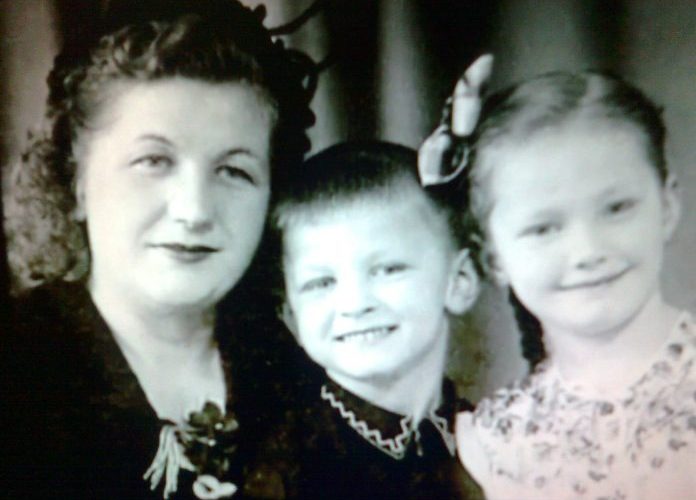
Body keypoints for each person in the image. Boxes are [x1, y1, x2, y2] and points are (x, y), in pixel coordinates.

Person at [1, 1, 315, 498]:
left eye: (234, 171)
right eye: (153, 160)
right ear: (75, 181)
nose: (194, 210)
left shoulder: (303, 378)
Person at [424, 70, 695, 498]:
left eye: (616, 208)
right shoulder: (493, 447)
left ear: (668, 206)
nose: (587, 251)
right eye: (543, 228)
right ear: (492, 256)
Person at [271, 141, 484, 499]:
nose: (354, 305)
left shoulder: (496, 443)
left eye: (388, 269)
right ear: (291, 315)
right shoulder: (285, 468)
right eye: (320, 283)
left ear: (459, 281)